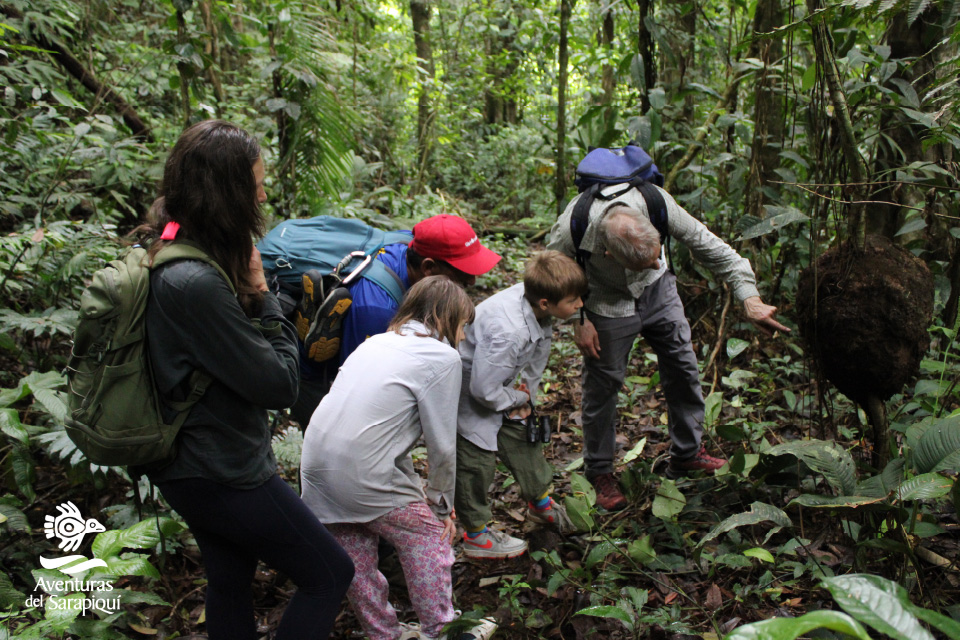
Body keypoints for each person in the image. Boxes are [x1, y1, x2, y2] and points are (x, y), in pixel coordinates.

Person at [138, 120, 354, 639]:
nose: (263, 193)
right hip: (219, 470)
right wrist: (264, 297)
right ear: (228, 192)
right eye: (255, 182)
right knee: (329, 575)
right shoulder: (194, 282)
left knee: (230, 580)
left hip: (188, 463)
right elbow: (279, 383)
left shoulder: (170, 246)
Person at [548, 190, 790, 511]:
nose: (657, 261)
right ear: (608, 253)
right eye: (646, 261)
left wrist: (750, 298)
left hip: (659, 291)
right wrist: (579, 318)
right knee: (602, 385)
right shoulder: (572, 228)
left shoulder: (654, 203)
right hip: (604, 301)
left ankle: (687, 454)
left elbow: (712, 247)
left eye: (658, 252)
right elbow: (552, 275)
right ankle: (600, 471)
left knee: (683, 366)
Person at [300, 277, 497, 640]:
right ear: (445, 318)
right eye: (463, 326)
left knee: (355, 556)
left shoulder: (374, 343)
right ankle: (441, 629)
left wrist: (419, 493)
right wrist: (441, 508)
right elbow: (442, 445)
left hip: (316, 469)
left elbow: (381, 433)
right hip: (362, 471)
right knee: (426, 538)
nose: (464, 337)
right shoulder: (442, 357)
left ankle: (382, 633)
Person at [290, 214, 501, 427]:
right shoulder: (376, 308)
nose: (472, 280)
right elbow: (358, 387)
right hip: (313, 377)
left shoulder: (411, 244)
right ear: (428, 268)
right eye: (462, 271)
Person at [456, 251, 587, 559]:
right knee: (475, 461)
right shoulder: (509, 331)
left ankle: (540, 506)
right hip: (467, 390)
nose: (580, 305)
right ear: (545, 303)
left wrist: (526, 396)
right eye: (573, 301)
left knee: (522, 439)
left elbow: (535, 358)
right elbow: (483, 389)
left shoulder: (536, 305)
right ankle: (476, 535)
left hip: (501, 382)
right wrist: (517, 397)